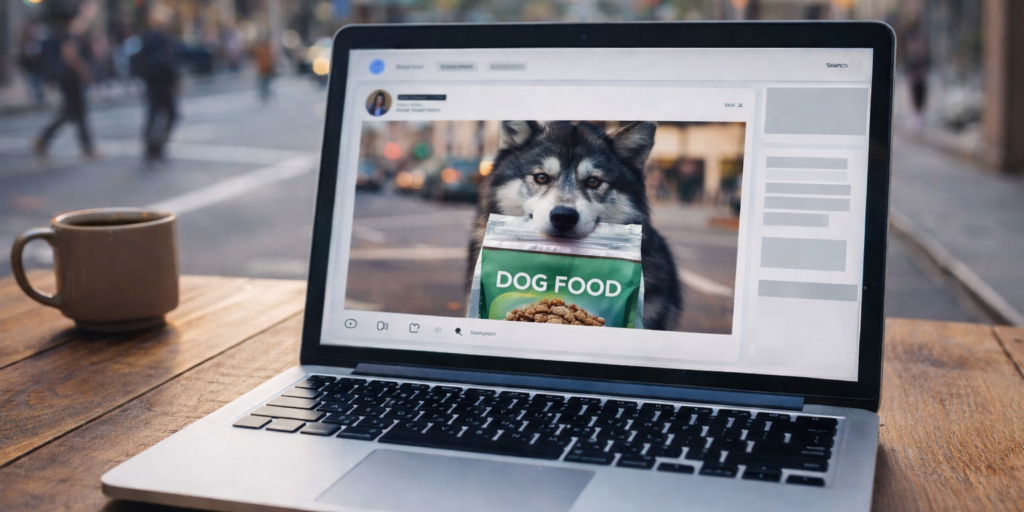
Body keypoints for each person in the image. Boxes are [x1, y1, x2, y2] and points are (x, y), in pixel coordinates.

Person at [33, 12, 95, 160]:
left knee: (74, 112)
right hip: (70, 78)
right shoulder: (68, 36)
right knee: (73, 112)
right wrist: (84, 71)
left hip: (66, 77)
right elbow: (70, 56)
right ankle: (86, 147)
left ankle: (86, 147)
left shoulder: (58, 34)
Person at [133, 4, 180, 162]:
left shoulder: (147, 38)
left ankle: (152, 147)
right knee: (169, 115)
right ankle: (156, 147)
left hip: (152, 83)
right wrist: (175, 81)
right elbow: (169, 62)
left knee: (154, 116)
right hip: (161, 84)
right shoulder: (161, 39)